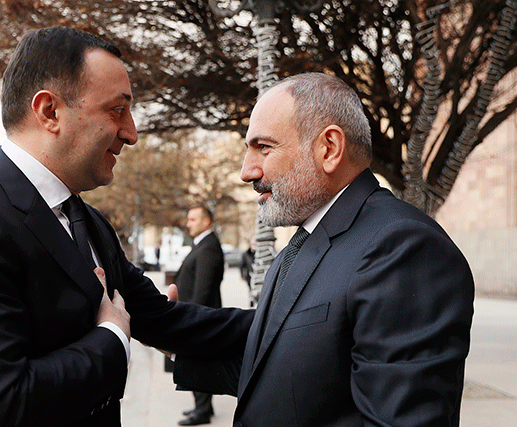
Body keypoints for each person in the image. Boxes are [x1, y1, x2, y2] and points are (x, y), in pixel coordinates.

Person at [0, 26, 253, 427]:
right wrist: (112, 338)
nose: (132, 133)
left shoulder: (89, 221)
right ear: (50, 112)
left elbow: (164, 321)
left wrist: (292, 320)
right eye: (117, 110)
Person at [172, 72, 475, 426]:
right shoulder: (303, 243)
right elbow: (279, 369)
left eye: (263, 147)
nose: (247, 171)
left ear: (329, 148)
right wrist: (169, 335)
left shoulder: (404, 248)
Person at [174, 206, 225, 425]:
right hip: (197, 315)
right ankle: (203, 407)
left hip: (200, 317)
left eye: (193, 219)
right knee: (196, 361)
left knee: (199, 363)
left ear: (206, 221)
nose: (188, 224)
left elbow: (203, 289)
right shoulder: (203, 244)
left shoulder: (208, 246)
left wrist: (191, 320)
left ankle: (202, 411)